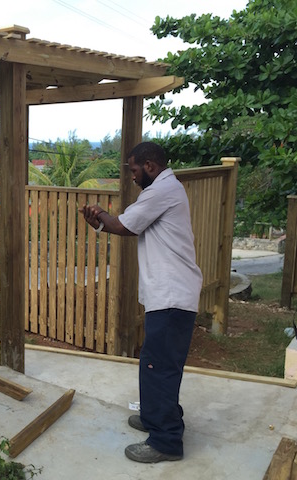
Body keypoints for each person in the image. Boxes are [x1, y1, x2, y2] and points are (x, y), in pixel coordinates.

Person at [80, 141, 203, 463]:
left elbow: (123, 225)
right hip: (170, 295)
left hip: (172, 296)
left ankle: (165, 441)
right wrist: (101, 221)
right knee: (158, 362)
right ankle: (156, 416)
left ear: (149, 166)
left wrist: (99, 214)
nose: (132, 177)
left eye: (134, 169)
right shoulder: (167, 190)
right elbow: (126, 227)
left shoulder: (162, 191)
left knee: (158, 366)